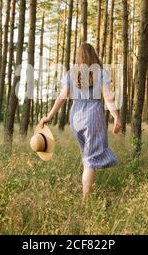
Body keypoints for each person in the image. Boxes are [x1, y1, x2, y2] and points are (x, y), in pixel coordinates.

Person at [39, 43, 122, 200]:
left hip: (75, 118)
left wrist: (49, 116)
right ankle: (86, 200)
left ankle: (88, 193)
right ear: (94, 55)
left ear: (78, 57)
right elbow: (108, 97)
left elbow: (62, 97)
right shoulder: (101, 73)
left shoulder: (71, 73)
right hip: (93, 117)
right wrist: (116, 116)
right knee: (90, 160)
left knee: (87, 157)